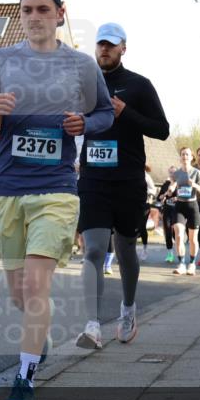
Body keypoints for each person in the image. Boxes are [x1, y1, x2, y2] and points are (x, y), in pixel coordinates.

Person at [0, 0, 114, 400]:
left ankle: (24, 383)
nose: (34, 17)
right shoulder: (0, 60)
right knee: (20, 294)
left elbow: (105, 113)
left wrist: (84, 124)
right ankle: (39, 337)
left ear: (60, 13)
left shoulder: (81, 65)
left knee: (35, 287)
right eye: (27, 10)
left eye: (43, 9)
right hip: (10, 190)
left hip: (56, 189)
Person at [75, 22, 168, 350]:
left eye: (111, 45)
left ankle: (128, 309)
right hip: (93, 180)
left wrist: (126, 112)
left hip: (128, 182)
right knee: (94, 248)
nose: (105, 49)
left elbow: (162, 129)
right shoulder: (84, 85)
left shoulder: (139, 85)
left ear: (123, 48)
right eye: (101, 44)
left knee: (125, 247)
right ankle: (92, 325)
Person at [167, 147, 200, 275]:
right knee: (178, 234)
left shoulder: (196, 173)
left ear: (191, 157)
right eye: (183, 154)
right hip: (180, 206)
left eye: (187, 154)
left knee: (193, 238)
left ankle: (192, 264)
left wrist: (193, 184)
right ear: (180, 157)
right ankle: (181, 264)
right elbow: (173, 184)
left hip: (192, 206)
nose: (185, 156)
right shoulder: (176, 173)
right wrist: (171, 189)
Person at [157, 165, 178, 263]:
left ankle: (180, 251)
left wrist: (177, 198)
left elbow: (185, 196)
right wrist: (165, 194)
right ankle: (170, 254)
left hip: (177, 211)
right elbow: (159, 198)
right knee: (168, 232)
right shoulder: (166, 184)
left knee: (176, 233)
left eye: (174, 172)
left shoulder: (180, 183)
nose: (172, 174)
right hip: (167, 211)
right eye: (170, 172)